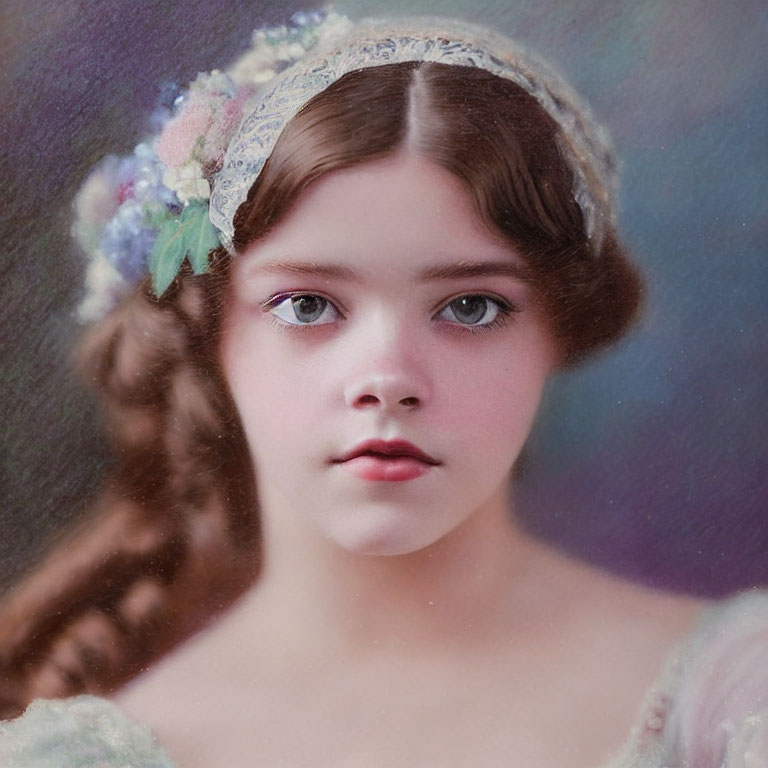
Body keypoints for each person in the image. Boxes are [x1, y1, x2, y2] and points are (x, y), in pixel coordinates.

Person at [0, 9, 766, 768]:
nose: (389, 380)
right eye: (308, 306)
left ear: (555, 331)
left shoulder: (736, 693)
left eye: (471, 307)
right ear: (209, 334)